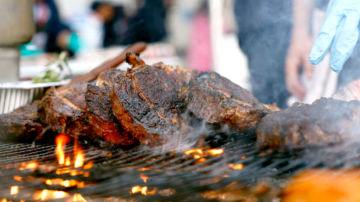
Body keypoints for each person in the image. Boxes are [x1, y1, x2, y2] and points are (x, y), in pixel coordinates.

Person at [234, 0, 293, 108]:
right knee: (263, 89)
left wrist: (300, 32)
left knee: (274, 93)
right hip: (250, 16)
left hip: (276, 20)